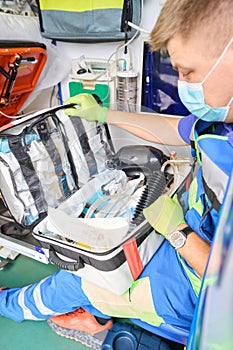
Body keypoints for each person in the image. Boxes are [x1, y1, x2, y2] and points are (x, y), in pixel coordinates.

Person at [0, 0, 232, 348]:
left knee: (77, 283)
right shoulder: (219, 123)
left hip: (189, 289)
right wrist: (104, 115)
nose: (184, 85)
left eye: (189, 72)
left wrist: (177, 232)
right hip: (175, 247)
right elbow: (174, 128)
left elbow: (227, 286)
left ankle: (11, 306)